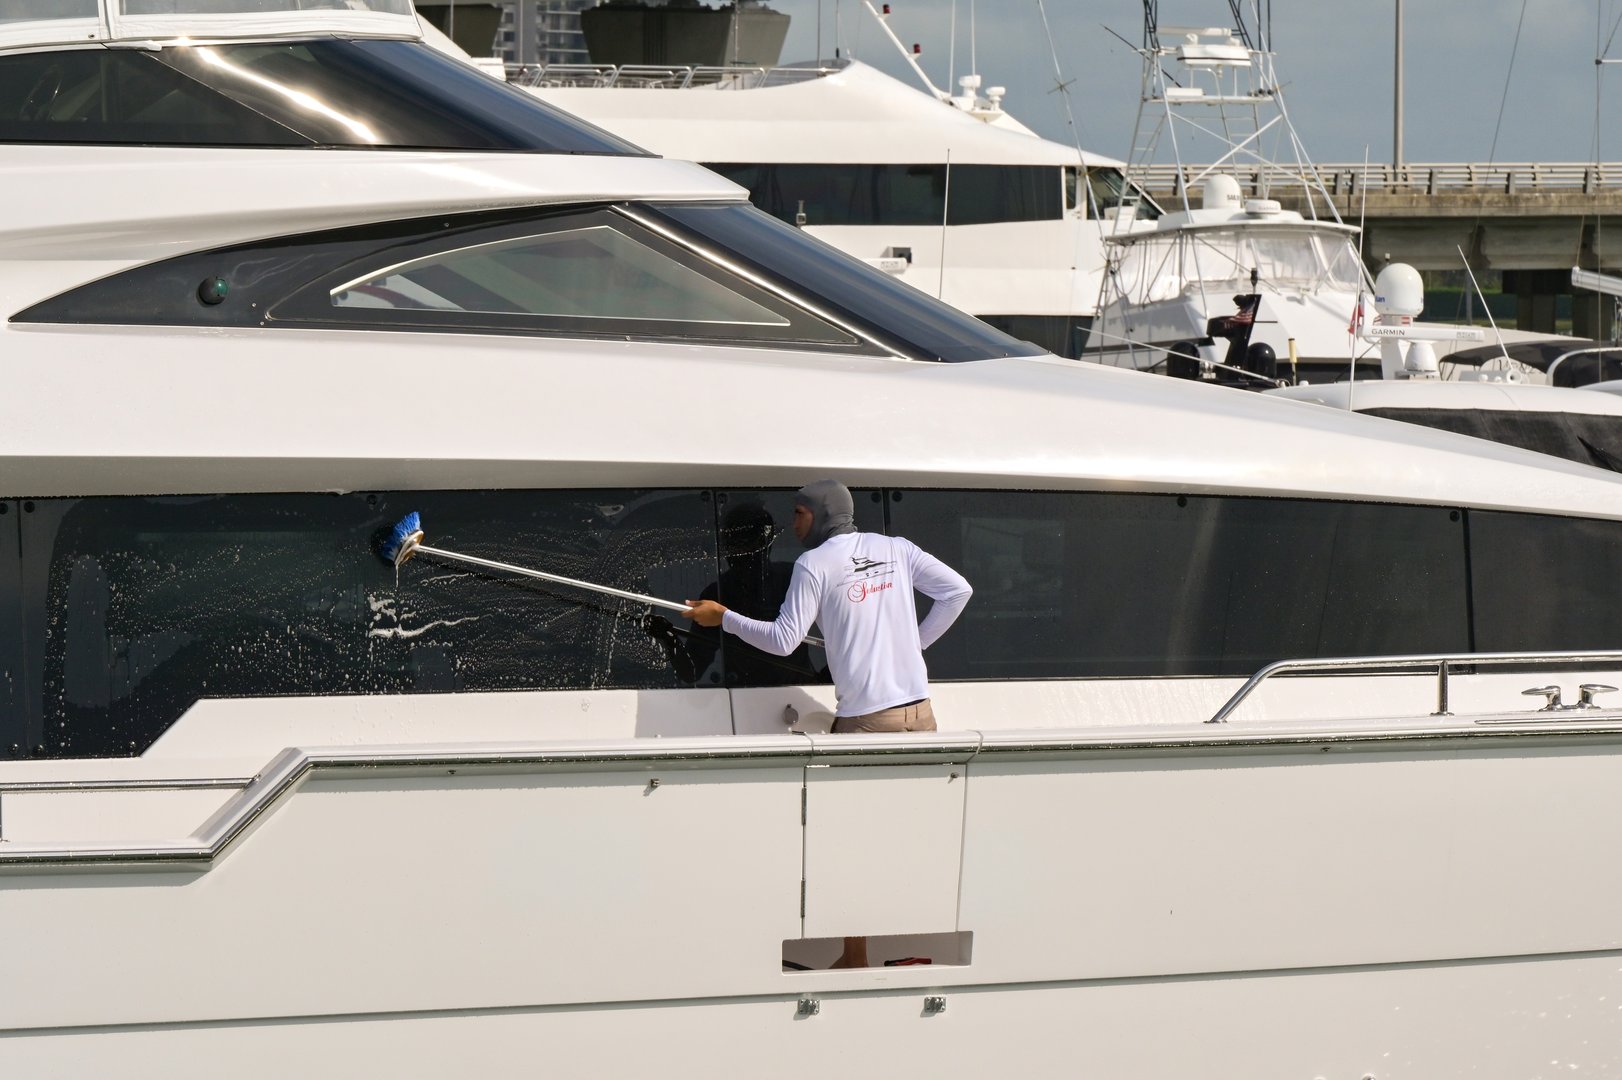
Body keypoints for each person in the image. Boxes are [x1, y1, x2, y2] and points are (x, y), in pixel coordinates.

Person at [683, 479, 972, 733]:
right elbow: (957, 592)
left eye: (799, 513)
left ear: (822, 513)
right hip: (921, 713)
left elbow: (784, 641)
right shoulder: (898, 547)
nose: (794, 524)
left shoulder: (813, 563)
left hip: (868, 719)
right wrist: (915, 644)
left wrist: (724, 617)